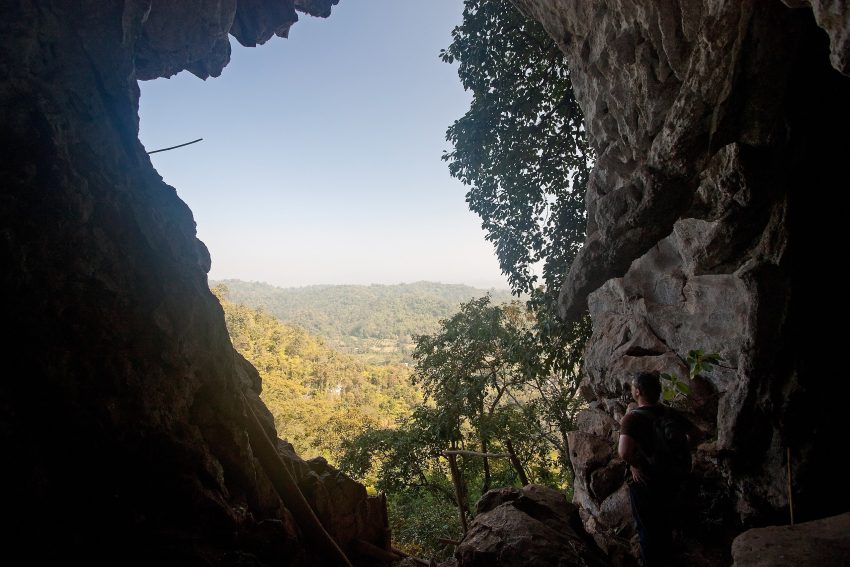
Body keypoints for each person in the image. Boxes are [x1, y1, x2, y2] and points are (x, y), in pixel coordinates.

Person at [617, 371, 702, 567]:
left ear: (638, 392)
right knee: (666, 527)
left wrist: (635, 465)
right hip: (673, 479)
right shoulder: (670, 413)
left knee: (648, 531)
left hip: (647, 482)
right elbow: (697, 434)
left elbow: (623, 452)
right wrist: (679, 451)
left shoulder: (632, 419)